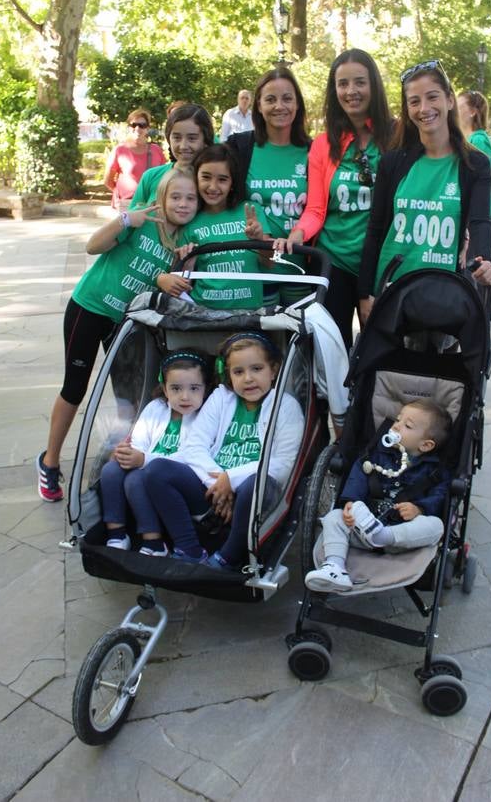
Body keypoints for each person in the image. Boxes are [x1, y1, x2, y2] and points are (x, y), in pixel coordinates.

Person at [35, 168, 199, 503]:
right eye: (176, 197)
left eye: (190, 198)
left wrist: (179, 267)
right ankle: (49, 461)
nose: (182, 204)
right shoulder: (143, 222)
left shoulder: (184, 241)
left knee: (130, 393)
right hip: (90, 307)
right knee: (75, 387)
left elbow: (173, 285)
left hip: (125, 322)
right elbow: (93, 246)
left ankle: (119, 458)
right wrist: (126, 220)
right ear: (162, 198)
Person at [141, 332, 304, 569]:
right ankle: (190, 549)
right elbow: (194, 446)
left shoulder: (286, 406)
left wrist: (232, 479)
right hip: (212, 488)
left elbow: (284, 464)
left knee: (254, 483)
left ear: (275, 370)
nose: (248, 379)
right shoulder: (221, 398)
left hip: (253, 493)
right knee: (156, 470)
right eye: (238, 372)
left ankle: (229, 556)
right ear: (228, 375)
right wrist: (218, 486)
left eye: (257, 369)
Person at [358, 60, 491, 325]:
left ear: (449, 100)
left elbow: (480, 222)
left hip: (445, 294)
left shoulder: (474, 164)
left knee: (437, 365)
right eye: (414, 101)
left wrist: (485, 263)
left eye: (432, 97)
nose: (424, 109)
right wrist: (365, 292)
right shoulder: (393, 162)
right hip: (391, 291)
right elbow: (375, 229)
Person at [273, 50, 393, 347]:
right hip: (334, 262)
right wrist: (298, 233)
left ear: (374, 86)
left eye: (359, 82)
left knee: (379, 349)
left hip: (381, 262)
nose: (351, 91)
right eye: (343, 84)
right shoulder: (324, 144)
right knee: (332, 351)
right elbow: (315, 208)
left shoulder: (397, 136)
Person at [305, 399, 452, 592]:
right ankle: (335, 567)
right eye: (398, 420)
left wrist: (420, 508)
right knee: (334, 518)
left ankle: (383, 536)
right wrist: (351, 502)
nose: (396, 425)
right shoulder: (377, 454)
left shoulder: (434, 470)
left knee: (435, 526)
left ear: (425, 445)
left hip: (401, 537)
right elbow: (359, 474)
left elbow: (440, 493)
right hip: (362, 528)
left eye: (407, 426)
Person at [101, 350, 211, 555]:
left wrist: (143, 459)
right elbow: (140, 440)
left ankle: (154, 541)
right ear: (165, 389)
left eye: (194, 388)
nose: (185, 396)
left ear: (206, 389)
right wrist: (128, 453)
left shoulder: (206, 415)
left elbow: (193, 456)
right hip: (147, 468)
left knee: (136, 478)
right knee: (111, 469)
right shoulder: (156, 408)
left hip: (186, 482)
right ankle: (116, 533)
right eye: (176, 388)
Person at [227, 67, 311, 304]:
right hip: (255, 270)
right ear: (259, 106)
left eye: (287, 98)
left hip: (301, 269)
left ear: (297, 104)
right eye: (270, 99)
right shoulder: (240, 147)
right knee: (260, 340)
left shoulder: (313, 151)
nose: (279, 106)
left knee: (298, 338)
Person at [159, 144, 272, 310]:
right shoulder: (190, 221)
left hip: (249, 313)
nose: (213, 187)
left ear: (232, 182)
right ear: (196, 178)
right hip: (204, 313)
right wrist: (186, 265)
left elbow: (270, 263)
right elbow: (182, 280)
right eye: (206, 177)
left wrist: (260, 240)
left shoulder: (250, 211)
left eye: (222, 179)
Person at [129, 103, 214, 208]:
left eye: (192, 138)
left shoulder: (214, 181)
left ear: (206, 139)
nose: (183, 146)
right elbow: (131, 218)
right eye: (177, 137)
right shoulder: (151, 177)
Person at [103, 108, 166, 211]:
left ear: (147, 128)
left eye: (142, 125)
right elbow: (108, 180)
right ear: (129, 127)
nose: (137, 128)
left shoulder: (157, 150)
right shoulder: (120, 150)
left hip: (152, 203)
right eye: (134, 125)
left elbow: (164, 177)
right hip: (127, 204)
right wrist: (120, 193)